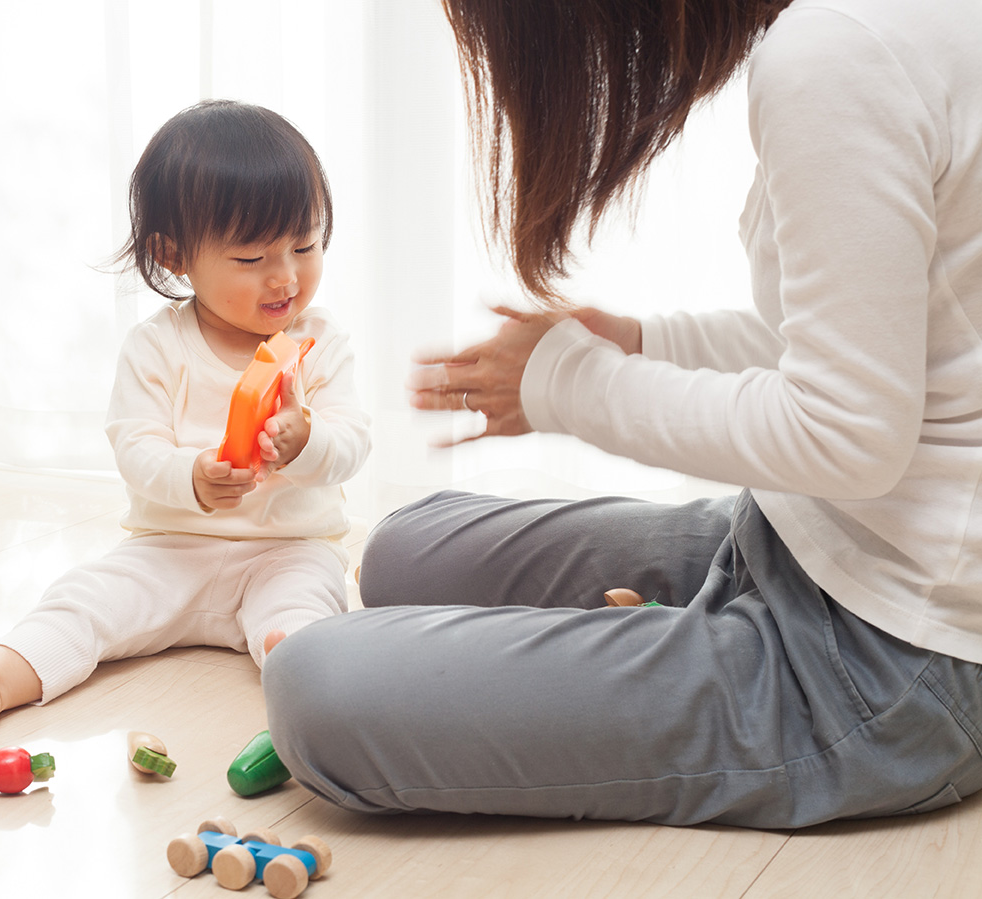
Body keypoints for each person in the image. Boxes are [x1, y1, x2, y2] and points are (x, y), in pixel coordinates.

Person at [263, 0, 982, 829]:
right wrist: (643, 343)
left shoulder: (835, 52)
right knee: (404, 547)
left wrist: (567, 385)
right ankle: (682, 633)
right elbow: (867, 340)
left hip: (890, 654)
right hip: (813, 542)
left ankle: (694, 646)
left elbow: (847, 434)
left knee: (315, 687)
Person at [0, 100, 370, 734]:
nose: (286, 277)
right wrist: (192, 477)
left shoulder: (322, 342)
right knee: (83, 600)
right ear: (175, 254)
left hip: (289, 550)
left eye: (305, 245)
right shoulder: (157, 346)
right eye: (251, 259)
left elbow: (352, 441)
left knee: (303, 613)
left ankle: (311, 689)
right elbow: (135, 447)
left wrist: (308, 441)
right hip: (171, 548)